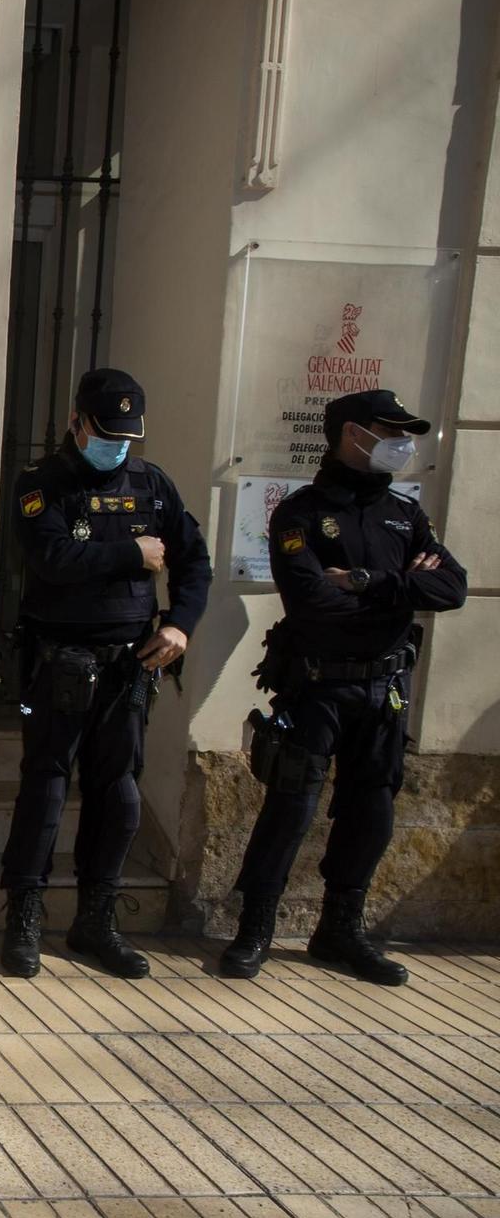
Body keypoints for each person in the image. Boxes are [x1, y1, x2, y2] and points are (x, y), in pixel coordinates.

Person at [220, 389, 465, 984]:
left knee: (372, 809)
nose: (402, 443)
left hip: (385, 689)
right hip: (318, 686)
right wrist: (400, 588)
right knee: (291, 806)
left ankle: (340, 929)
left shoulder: (404, 514)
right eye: (390, 431)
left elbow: (452, 588)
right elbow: (310, 602)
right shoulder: (301, 513)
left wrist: (364, 582)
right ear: (352, 434)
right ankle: (255, 927)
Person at [0, 368, 212, 979]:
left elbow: (194, 562)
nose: (117, 444)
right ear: (77, 423)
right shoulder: (44, 484)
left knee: (118, 795)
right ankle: (25, 915)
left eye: (127, 434)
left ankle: (96, 918)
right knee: (45, 787)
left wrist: (180, 625)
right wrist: (132, 554)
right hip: (59, 662)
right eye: (106, 431)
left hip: (129, 666)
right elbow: (51, 557)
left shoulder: (152, 485)